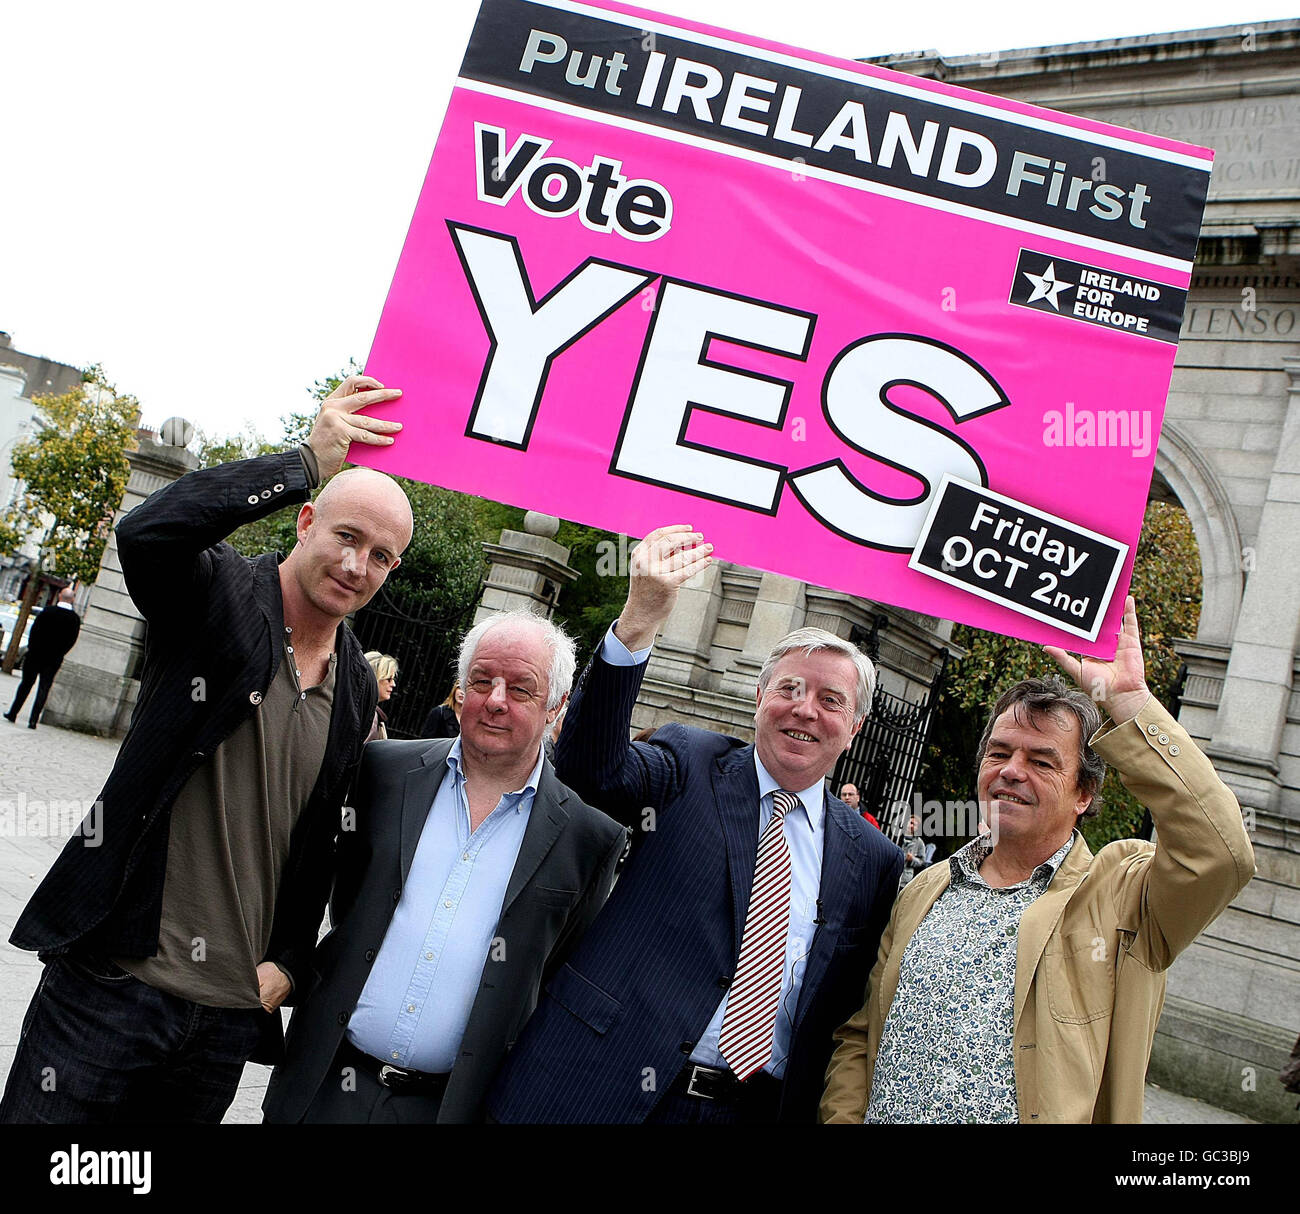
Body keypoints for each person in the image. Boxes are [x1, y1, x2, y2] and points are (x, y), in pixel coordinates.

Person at [1, 374, 412, 1124]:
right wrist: (302, 463)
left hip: (223, 1019)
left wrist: (287, 959)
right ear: (305, 522)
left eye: (382, 556)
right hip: (113, 987)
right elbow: (146, 531)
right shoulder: (216, 596)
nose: (358, 566)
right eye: (347, 537)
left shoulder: (355, 684)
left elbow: (318, 838)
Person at [489, 525, 903, 1124]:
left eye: (831, 700)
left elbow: (843, 1014)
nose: (805, 709)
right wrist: (637, 622)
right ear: (760, 697)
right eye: (789, 687)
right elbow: (592, 772)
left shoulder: (874, 861)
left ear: (855, 726)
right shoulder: (691, 763)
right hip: (591, 1085)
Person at [820, 597, 1256, 1125]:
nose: (1012, 771)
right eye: (1000, 753)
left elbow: (1221, 852)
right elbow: (862, 1036)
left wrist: (1130, 704)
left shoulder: (1123, 895)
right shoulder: (927, 887)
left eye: (1042, 761)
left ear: (1084, 794)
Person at [262, 610, 626, 1124]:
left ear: (557, 706)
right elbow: (316, 882)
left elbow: (557, 978)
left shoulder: (588, 838)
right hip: (324, 1085)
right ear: (460, 689)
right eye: (481, 681)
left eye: (521, 689)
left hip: (450, 1109)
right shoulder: (384, 774)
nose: (495, 700)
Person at [4, 584, 81, 729]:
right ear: (72, 600)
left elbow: (34, 631)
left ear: (59, 596)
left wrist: (33, 648)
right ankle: (33, 720)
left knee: (26, 684)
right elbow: (72, 640)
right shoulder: (74, 619)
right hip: (54, 658)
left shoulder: (47, 611)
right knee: (44, 688)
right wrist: (60, 653)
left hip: (36, 654)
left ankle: (13, 712)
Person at [364, 651, 398, 742]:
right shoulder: (368, 713)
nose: (393, 684)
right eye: (388, 679)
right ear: (374, 678)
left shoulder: (374, 713)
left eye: (393, 679)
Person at [898, 816, 927, 888]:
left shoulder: (919, 843)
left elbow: (922, 861)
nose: (912, 826)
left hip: (904, 879)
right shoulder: (898, 836)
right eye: (911, 823)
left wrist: (912, 859)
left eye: (915, 825)